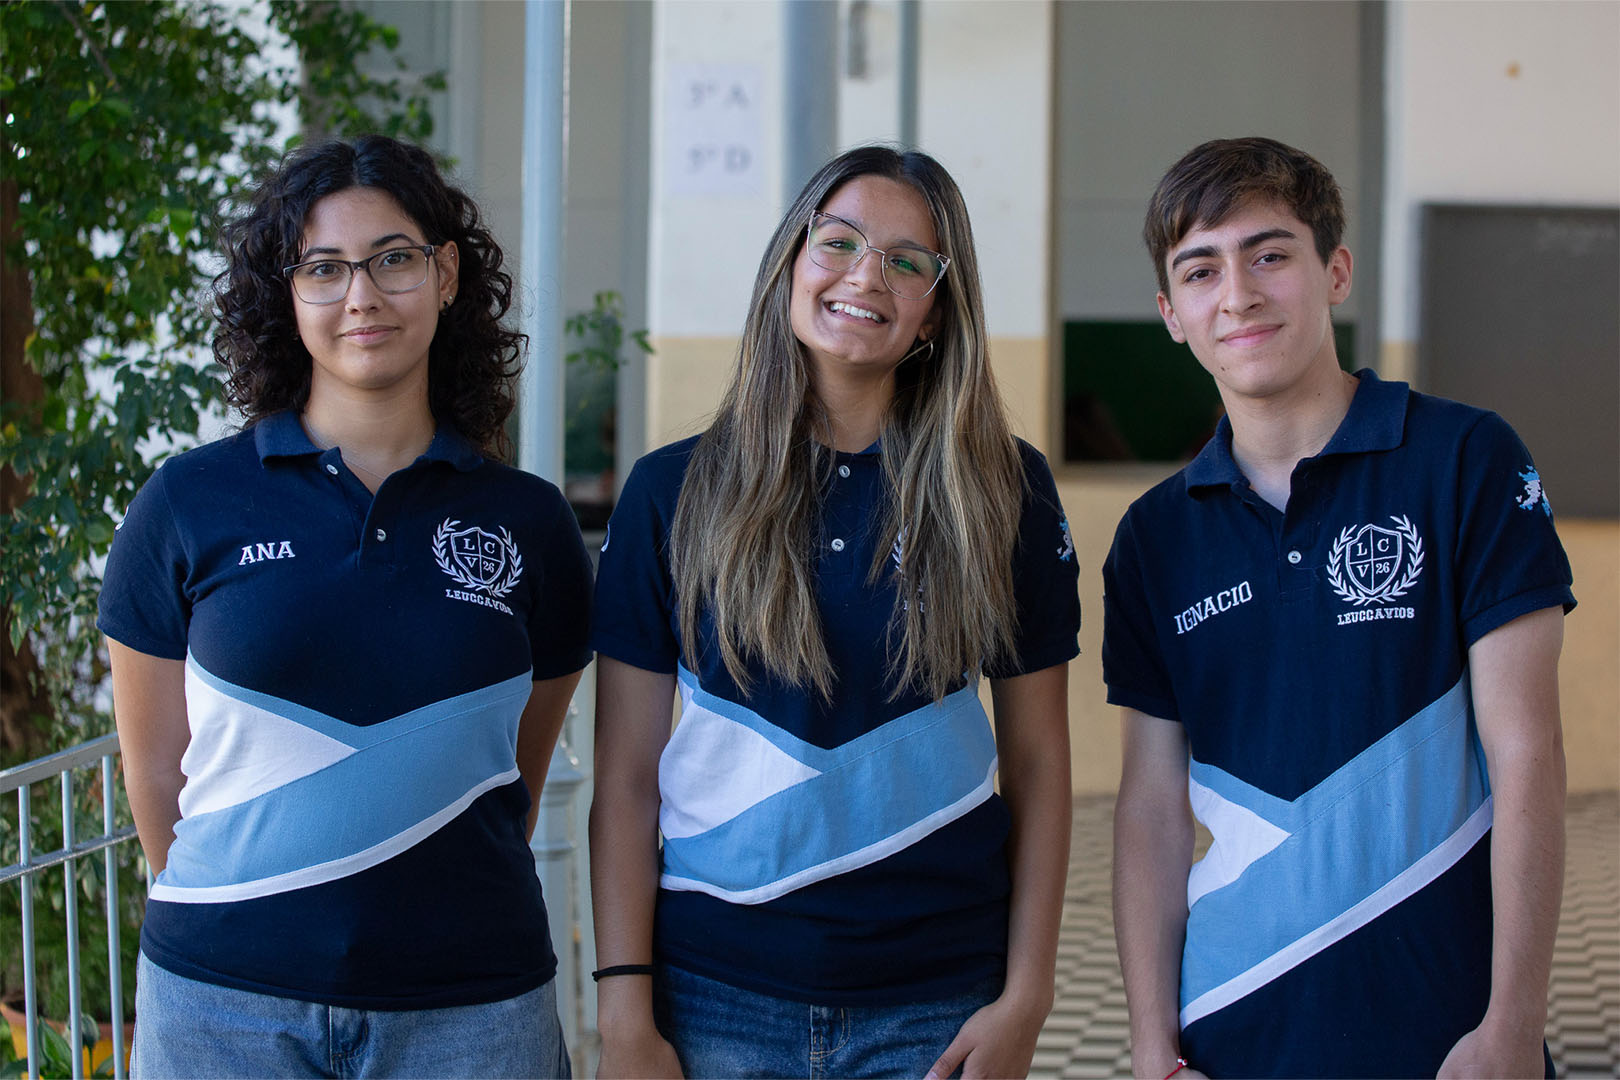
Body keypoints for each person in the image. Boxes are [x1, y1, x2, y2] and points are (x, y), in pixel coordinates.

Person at [98, 135, 591, 1078]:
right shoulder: (188, 504)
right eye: (323, 268)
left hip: (473, 1014)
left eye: (392, 259)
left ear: (447, 275)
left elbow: (512, 779)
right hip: (221, 1012)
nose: (361, 295)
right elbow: (157, 780)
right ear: (287, 294)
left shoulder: (528, 521)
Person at [588, 145, 1079, 1079]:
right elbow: (625, 779)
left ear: (937, 311)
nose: (866, 276)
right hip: (711, 995)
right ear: (790, 263)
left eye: (907, 261)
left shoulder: (1002, 488)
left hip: (936, 1001)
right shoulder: (672, 490)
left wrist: (1028, 996)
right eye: (839, 241)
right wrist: (623, 1012)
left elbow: (1039, 762)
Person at [1105, 136, 1576, 1079]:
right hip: (1230, 1032)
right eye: (1201, 270)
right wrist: (1153, 1048)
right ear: (1171, 315)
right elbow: (1152, 807)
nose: (1237, 294)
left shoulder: (1464, 460)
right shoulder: (1154, 537)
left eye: (1269, 254)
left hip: (1449, 1042)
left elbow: (1526, 754)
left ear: (1336, 272)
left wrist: (1513, 1025)